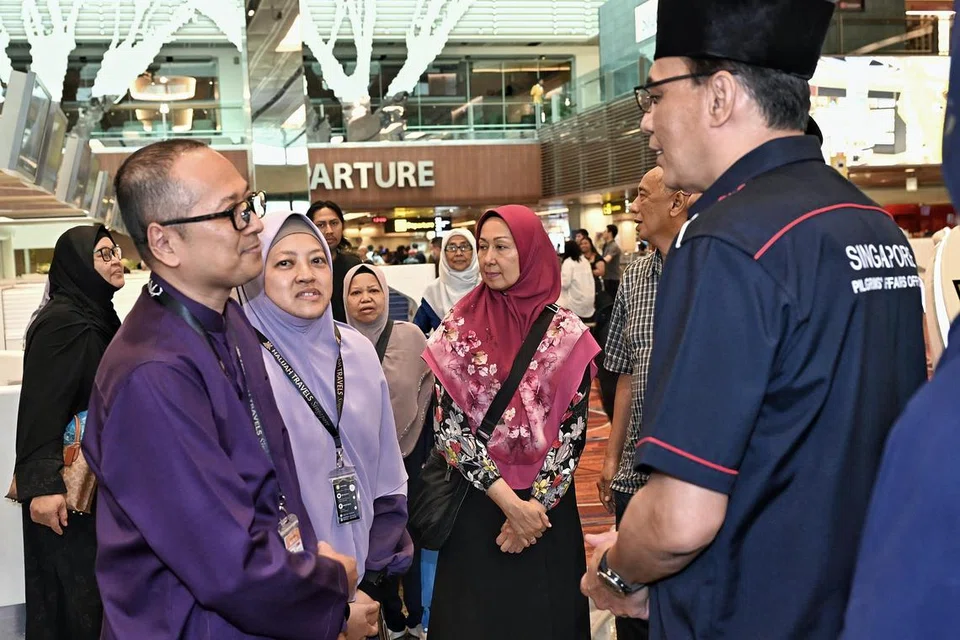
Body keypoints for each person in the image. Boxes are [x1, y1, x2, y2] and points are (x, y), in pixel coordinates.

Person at [580, 2, 926, 638]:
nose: (648, 123)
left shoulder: (724, 240)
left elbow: (682, 519)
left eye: (654, 96)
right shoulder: (875, 226)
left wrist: (618, 571)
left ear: (718, 96)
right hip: (865, 602)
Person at [82, 139, 377, 639]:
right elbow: (225, 564)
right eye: (232, 213)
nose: (256, 225)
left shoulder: (228, 321)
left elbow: (270, 474)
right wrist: (327, 591)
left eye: (250, 204)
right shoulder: (152, 374)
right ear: (165, 244)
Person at [423, 205, 600, 640]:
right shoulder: (457, 327)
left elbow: (572, 435)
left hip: (547, 511)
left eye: (502, 247)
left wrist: (533, 509)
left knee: (547, 620)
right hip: (479, 503)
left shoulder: (567, 332)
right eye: (483, 246)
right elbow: (450, 430)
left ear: (532, 252)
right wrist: (511, 506)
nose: (488, 258)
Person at [595, 167, 696, 640]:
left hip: (694, 472)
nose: (632, 207)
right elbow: (625, 373)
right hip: (636, 471)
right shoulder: (634, 277)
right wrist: (611, 458)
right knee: (628, 601)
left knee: (684, 596)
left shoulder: (711, 270)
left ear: (677, 204)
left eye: (641, 196)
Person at [12, 224, 124, 640]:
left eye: (115, 252)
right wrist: (41, 488)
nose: (115, 261)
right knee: (74, 599)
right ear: (78, 265)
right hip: (65, 496)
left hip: (97, 489)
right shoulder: (63, 323)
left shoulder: (97, 316)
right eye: (103, 254)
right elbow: (41, 409)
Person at [344, 263, 435, 640]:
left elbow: (429, 390)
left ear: (386, 293)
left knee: (410, 538)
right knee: (369, 540)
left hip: (410, 456)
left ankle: (415, 616)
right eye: (356, 292)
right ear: (345, 299)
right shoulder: (336, 340)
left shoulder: (411, 336)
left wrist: (412, 438)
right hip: (358, 461)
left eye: (373, 290)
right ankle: (387, 618)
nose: (366, 299)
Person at [413, 229, 480, 335]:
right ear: (443, 253)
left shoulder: (487, 287)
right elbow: (416, 332)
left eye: (464, 247)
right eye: (452, 248)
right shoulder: (434, 292)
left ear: (474, 250)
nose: (458, 253)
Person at [308, 200, 361, 322]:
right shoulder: (302, 268)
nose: (329, 231)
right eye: (321, 225)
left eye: (334, 223)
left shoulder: (353, 266)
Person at [558, 239, 595, 320]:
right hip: (589, 302)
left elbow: (564, 284)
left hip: (576, 304)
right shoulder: (585, 260)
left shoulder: (568, 262)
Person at [600, 224, 622, 298]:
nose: (603, 233)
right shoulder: (606, 245)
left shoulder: (614, 246)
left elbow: (606, 259)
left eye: (605, 231)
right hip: (606, 277)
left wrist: (595, 263)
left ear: (610, 233)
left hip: (612, 279)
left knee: (612, 302)